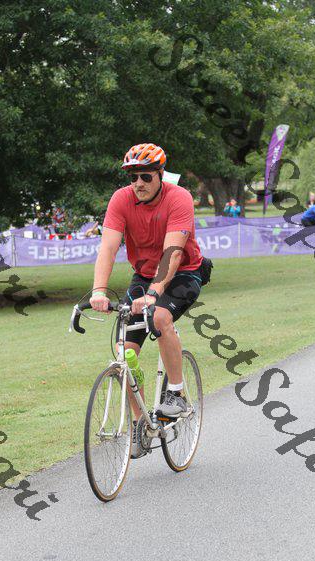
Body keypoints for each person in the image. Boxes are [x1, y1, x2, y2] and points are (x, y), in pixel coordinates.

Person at [89, 142, 205, 458]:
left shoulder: (179, 197)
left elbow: (173, 252)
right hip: (143, 276)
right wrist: (99, 290)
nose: (138, 183)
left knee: (159, 317)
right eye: (133, 177)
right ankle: (141, 423)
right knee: (123, 351)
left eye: (145, 176)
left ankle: (177, 394)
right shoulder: (121, 199)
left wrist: (155, 293)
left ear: (160, 175)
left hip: (184, 272)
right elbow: (108, 248)